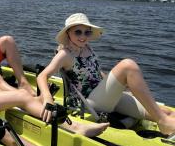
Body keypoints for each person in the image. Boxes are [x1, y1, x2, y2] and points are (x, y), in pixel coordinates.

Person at [37, 13, 175, 136]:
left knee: (167, 112)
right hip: (87, 103)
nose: (83, 36)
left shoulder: (87, 48)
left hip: (103, 98)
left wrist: (122, 89)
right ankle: (163, 123)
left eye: (87, 33)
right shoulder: (65, 54)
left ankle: (164, 120)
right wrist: (48, 98)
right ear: (68, 34)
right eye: (78, 32)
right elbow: (42, 76)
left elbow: (96, 73)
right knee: (128, 65)